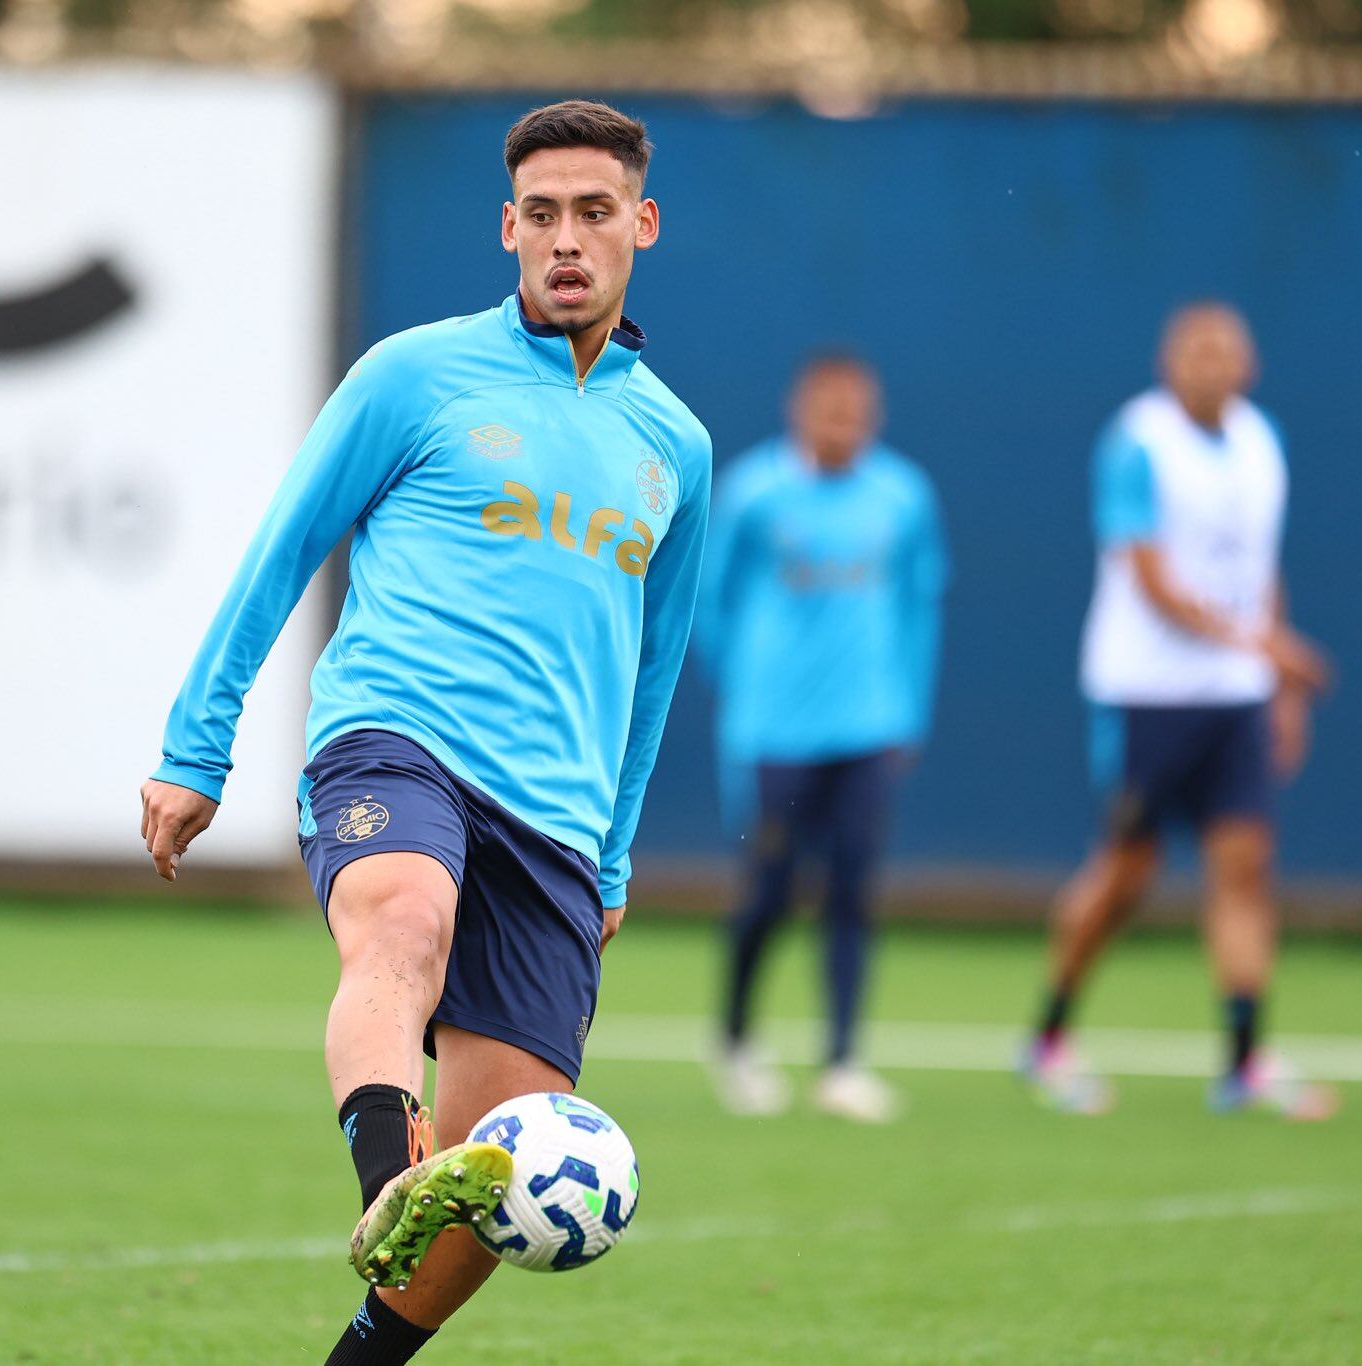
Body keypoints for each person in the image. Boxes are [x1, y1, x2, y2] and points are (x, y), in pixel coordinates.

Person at [137, 100, 711, 1364]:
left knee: (505, 1164)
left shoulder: (675, 443)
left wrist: (611, 857)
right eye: (543, 215)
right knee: (401, 917)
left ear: (641, 227)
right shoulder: (413, 374)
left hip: (554, 822)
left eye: (594, 213)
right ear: (508, 230)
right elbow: (284, 549)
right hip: (395, 740)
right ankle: (382, 1179)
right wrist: (196, 746)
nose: (567, 239)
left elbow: (653, 669)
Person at [1022, 302, 1336, 1120]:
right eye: (1197, 351)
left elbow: (1261, 573)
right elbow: (1153, 582)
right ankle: (1049, 1039)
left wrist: (1279, 686)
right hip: (1145, 692)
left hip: (1235, 699)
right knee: (1128, 872)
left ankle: (1244, 1060)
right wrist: (1266, 649)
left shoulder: (1263, 442)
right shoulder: (1140, 441)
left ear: (1250, 365)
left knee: (1245, 868)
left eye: (1227, 351)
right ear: (1170, 362)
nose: (1213, 364)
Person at [695, 355, 947, 1124]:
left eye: (855, 411)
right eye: (828, 410)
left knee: (852, 887)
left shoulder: (903, 496)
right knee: (771, 889)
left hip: (868, 728)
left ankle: (842, 1059)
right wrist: (740, 685)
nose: (842, 425)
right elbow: (707, 597)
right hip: (775, 730)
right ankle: (735, 1038)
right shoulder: (753, 491)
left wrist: (907, 709)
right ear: (798, 409)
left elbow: (920, 605)